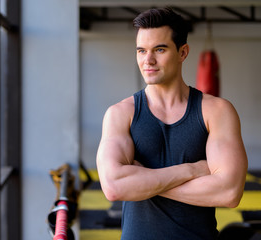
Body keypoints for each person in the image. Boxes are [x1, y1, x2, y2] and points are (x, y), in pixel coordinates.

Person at [96, 7, 248, 240]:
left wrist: (142, 180)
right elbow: (115, 188)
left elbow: (229, 192)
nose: (148, 60)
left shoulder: (216, 111)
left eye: (160, 49)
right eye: (141, 50)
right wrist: (192, 170)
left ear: (183, 52)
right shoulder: (120, 114)